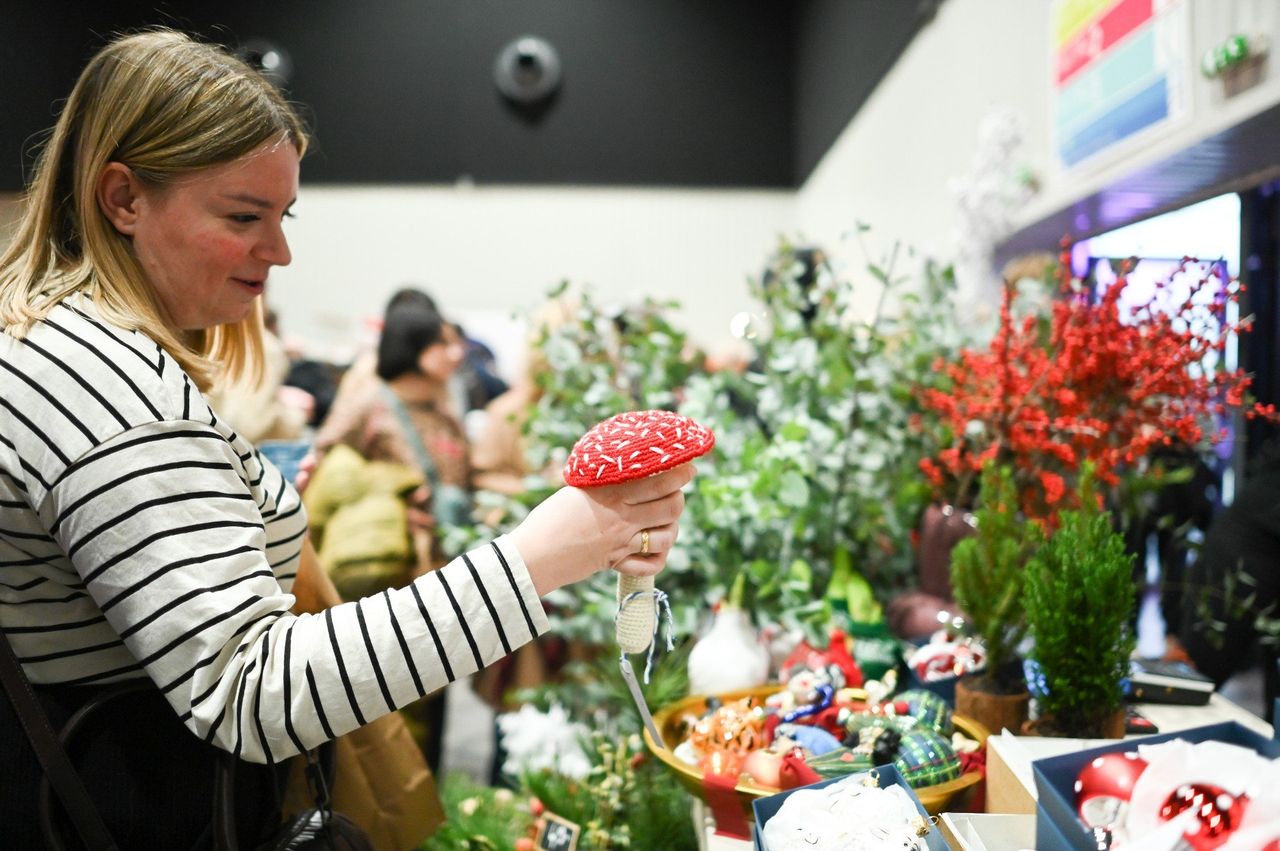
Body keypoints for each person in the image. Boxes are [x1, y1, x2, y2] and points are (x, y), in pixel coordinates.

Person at [0, 29, 692, 850]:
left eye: (282, 214)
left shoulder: (65, 351)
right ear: (123, 199)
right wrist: (537, 556)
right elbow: (248, 688)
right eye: (244, 215)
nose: (280, 250)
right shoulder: (102, 385)